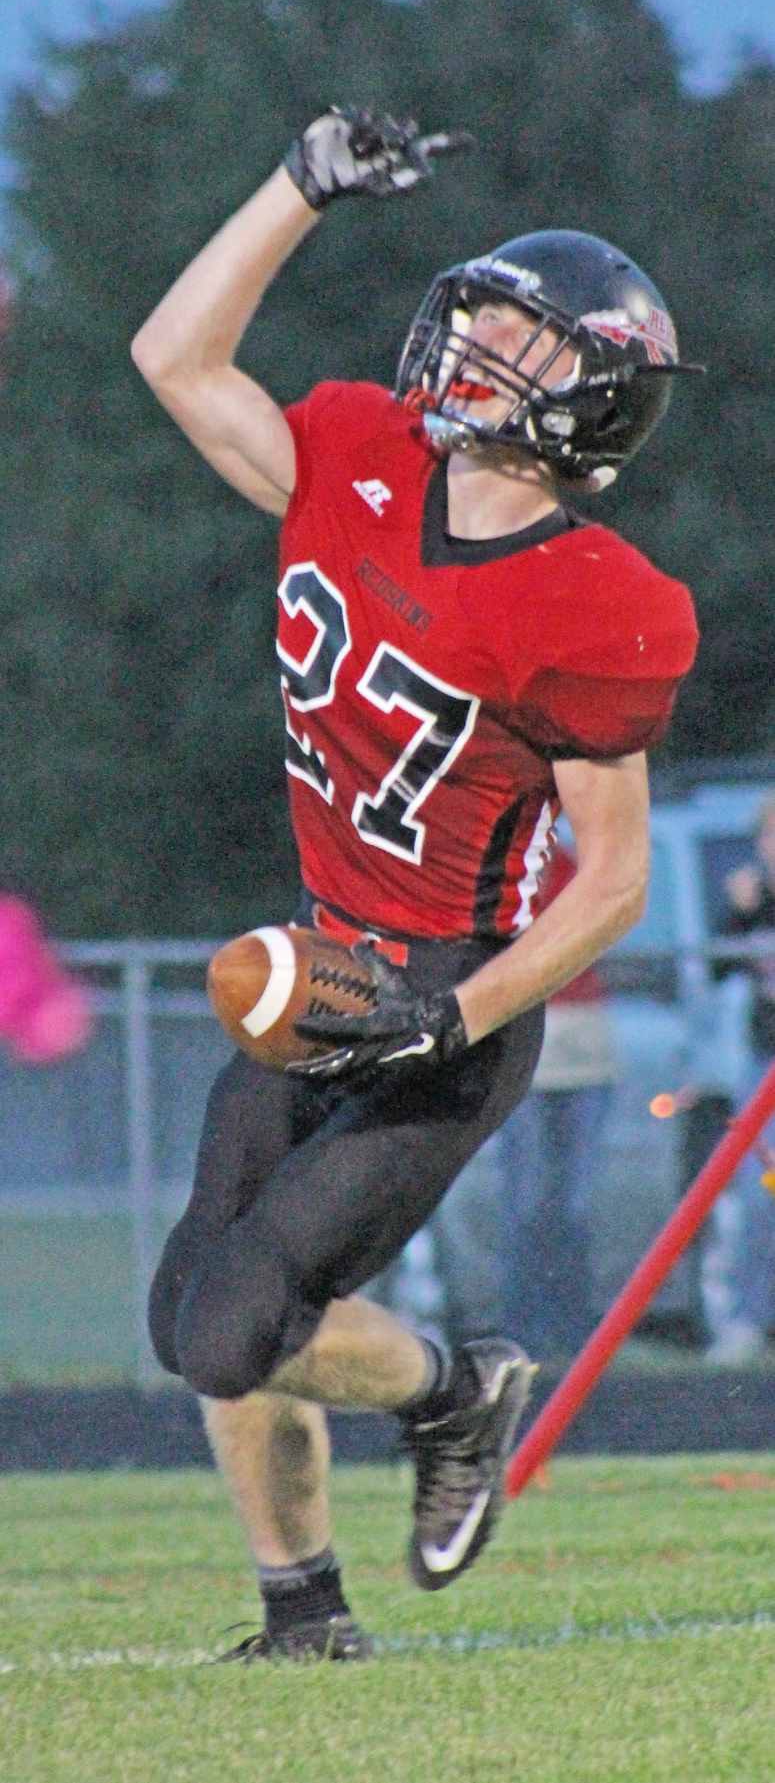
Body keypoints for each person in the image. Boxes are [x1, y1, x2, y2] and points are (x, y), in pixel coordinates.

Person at [131, 106, 698, 1661]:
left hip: (451, 992)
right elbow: (173, 358)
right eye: (487, 312)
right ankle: (309, 1603)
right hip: (321, 955)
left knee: (238, 1321)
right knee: (197, 1331)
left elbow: (614, 884)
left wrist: (444, 1024)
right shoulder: (356, 456)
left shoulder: (596, 600)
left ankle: (456, 1388)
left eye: (519, 332)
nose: (477, 339)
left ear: (584, 398)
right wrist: (296, 187)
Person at [495, 844, 617, 1361]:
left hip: (585, 1056)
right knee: (525, 1201)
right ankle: (521, 1330)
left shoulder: (575, 865)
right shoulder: (493, 874)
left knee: (574, 1203)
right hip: (528, 1056)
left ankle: (574, 1330)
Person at [705, 795, 775, 1361]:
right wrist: (739, 912)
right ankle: (752, 1317)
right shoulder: (755, 902)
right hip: (765, 1062)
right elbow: (716, 967)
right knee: (761, 1195)